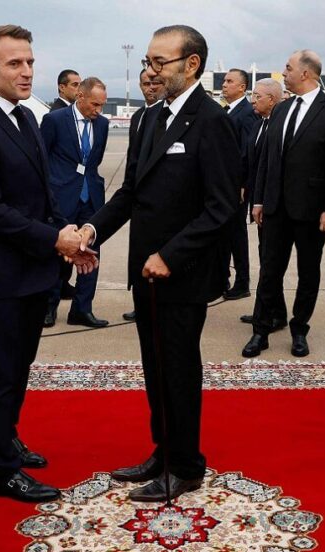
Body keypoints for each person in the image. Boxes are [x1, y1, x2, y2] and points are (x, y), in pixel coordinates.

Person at [78, 25, 240, 502]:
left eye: (158, 63)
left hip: (182, 272)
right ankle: (163, 450)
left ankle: (186, 465)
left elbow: (222, 205)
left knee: (178, 368)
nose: (149, 70)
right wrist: (91, 230)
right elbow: (130, 193)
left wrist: (171, 254)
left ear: (191, 65)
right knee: (155, 366)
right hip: (144, 272)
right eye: (147, 61)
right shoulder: (151, 118)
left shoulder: (211, 121)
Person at [0, 25, 91, 503]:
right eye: (14, 63)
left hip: (34, 269)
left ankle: (7, 440)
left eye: (30, 61)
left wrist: (69, 239)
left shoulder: (26, 118)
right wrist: (56, 239)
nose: (27, 71)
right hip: (2, 275)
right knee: (2, 373)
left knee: (20, 366)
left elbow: (42, 195)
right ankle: (2, 472)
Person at [244, 49, 325, 358]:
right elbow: (267, 158)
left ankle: (299, 329)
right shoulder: (281, 109)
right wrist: (260, 199)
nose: (284, 72)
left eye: (288, 68)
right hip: (276, 207)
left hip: (311, 210)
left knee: (308, 272)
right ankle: (261, 331)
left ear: (305, 73)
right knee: (269, 271)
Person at [40, 77, 111, 328]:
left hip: (90, 197)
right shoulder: (55, 121)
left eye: (102, 105)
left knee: (91, 251)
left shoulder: (102, 125)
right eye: (94, 104)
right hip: (62, 198)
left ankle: (82, 309)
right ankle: (49, 307)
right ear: (80, 96)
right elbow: (42, 159)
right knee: (59, 252)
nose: (98, 110)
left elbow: (94, 161)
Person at [239, 78, 286, 330]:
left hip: (273, 206)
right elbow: (253, 166)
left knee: (269, 262)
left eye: (257, 96)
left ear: (272, 99)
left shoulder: (278, 127)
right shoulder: (258, 126)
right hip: (259, 204)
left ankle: (265, 315)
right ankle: (276, 311)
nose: (253, 100)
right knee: (265, 257)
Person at [121, 70, 166, 323]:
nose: (150, 87)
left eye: (155, 82)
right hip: (136, 196)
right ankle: (141, 299)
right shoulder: (139, 116)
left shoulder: (164, 115)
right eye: (145, 83)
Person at [222, 68, 260, 300]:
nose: (224, 85)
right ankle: (222, 276)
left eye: (229, 81)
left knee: (236, 234)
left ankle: (242, 281)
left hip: (237, 187)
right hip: (225, 184)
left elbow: (248, 152)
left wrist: (243, 184)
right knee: (223, 232)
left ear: (242, 87)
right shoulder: (229, 111)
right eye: (224, 81)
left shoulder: (246, 113)